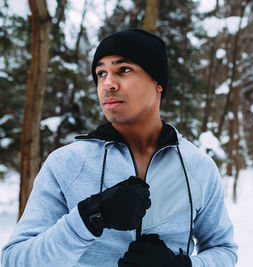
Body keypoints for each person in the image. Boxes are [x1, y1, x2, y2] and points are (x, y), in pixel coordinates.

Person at [1, 29, 238, 267]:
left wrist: (182, 266)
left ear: (158, 82)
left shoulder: (198, 167)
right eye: (100, 73)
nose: (108, 84)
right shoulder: (66, 163)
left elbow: (223, 250)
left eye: (123, 70)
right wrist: (89, 217)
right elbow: (14, 259)